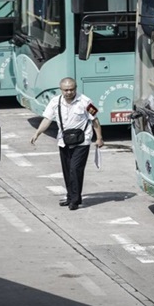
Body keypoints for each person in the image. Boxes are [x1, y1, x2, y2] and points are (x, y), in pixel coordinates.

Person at [31, 77, 104, 210]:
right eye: (66, 90)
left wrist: (99, 138)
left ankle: (75, 201)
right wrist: (37, 133)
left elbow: (95, 120)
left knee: (75, 169)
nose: (69, 92)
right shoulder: (55, 102)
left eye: (71, 89)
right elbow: (47, 119)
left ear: (76, 88)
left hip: (82, 140)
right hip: (64, 140)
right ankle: (71, 196)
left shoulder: (85, 101)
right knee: (67, 170)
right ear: (61, 90)